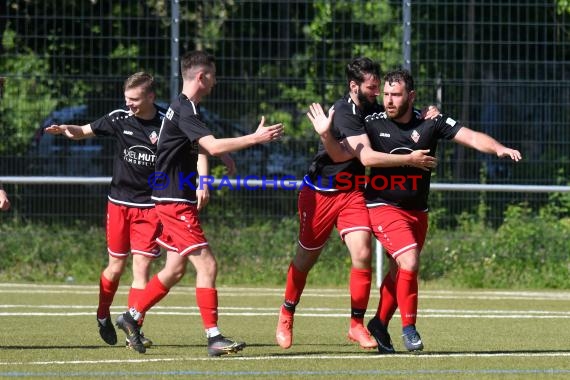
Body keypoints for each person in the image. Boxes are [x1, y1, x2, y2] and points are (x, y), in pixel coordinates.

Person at [310, 68, 522, 353]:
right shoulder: (372, 122)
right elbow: (346, 152)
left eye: (395, 95)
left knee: (402, 271)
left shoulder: (430, 121)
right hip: (382, 205)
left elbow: (470, 137)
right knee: (409, 262)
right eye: (385, 94)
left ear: (411, 96)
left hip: (417, 211)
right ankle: (409, 329)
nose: (388, 100)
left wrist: (498, 148)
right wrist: (327, 136)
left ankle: (379, 324)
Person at [114, 50, 284, 356]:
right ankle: (214, 337)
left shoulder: (183, 107)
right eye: (213, 76)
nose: (215, 82)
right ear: (202, 77)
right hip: (173, 201)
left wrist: (222, 155)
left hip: (169, 198)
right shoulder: (185, 109)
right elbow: (212, 144)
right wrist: (254, 139)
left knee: (175, 268)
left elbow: (197, 144)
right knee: (207, 264)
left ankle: (131, 316)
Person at [275, 57, 438, 351]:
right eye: (372, 87)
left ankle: (356, 325)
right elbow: (340, 156)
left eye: (379, 87)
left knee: (362, 253)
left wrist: (426, 115)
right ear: (354, 86)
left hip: (353, 193)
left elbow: (400, 116)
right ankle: (286, 313)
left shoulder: (374, 108)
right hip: (321, 192)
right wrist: (325, 134)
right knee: (305, 260)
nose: (378, 93)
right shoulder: (343, 111)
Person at [45, 72, 168, 349]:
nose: (130, 105)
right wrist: (67, 129)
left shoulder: (167, 122)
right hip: (119, 204)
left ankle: (133, 329)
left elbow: (194, 148)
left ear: (151, 97)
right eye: (127, 99)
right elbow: (84, 130)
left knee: (142, 270)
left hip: (150, 208)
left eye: (135, 100)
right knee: (115, 267)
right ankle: (103, 313)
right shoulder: (119, 118)